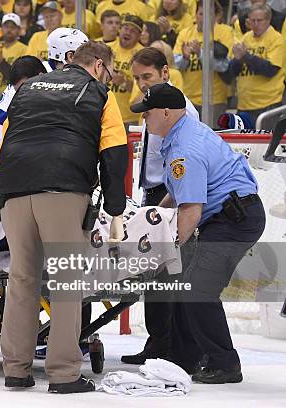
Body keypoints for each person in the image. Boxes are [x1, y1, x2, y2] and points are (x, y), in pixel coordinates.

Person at [0, 40, 127, 393]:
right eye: (110, 72)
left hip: (13, 191)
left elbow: (5, 142)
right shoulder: (98, 93)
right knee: (67, 283)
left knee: (22, 280)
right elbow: (114, 151)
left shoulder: (27, 90)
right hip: (64, 190)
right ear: (99, 66)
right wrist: (115, 206)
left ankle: (16, 369)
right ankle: (64, 373)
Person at [131, 82, 266, 384]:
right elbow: (178, 192)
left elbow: (190, 209)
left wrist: (167, 248)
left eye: (147, 112)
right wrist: (155, 216)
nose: (144, 118)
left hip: (234, 220)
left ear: (166, 112)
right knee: (183, 283)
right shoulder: (183, 132)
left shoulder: (183, 149)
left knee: (197, 288)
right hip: (227, 215)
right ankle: (184, 358)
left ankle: (224, 364)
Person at [120, 46, 198, 365]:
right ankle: (159, 342)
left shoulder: (182, 111)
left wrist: (166, 207)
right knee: (155, 275)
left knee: (169, 275)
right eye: (137, 78)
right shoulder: (153, 106)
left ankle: (172, 345)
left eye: (147, 76)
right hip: (153, 194)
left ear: (166, 73)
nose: (142, 83)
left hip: (172, 194)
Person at [223, 3, 284, 129]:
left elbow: (270, 70)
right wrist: (238, 60)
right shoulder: (245, 39)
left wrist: (245, 56)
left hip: (268, 105)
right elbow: (231, 73)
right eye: (252, 20)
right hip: (244, 105)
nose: (255, 24)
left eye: (259, 20)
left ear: (268, 20)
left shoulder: (277, 39)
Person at [173, 0, 233, 127]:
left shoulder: (225, 32)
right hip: (189, 98)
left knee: (215, 137)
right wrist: (185, 57)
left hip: (215, 99)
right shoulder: (185, 33)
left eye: (209, 14)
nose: (204, 18)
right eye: (201, 14)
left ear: (216, 16)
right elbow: (176, 65)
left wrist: (200, 53)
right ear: (195, 15)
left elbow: (224, 66)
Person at [0, 55, 47, 144]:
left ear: (40, 77)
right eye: (18, 90)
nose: (22, 93)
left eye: (24, 87)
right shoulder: (12, 97)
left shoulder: (53, 76)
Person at [108, 14, 144, 127]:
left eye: (133, 31)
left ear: (139, 36)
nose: (128, 32)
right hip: (106, 115)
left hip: (130, 118)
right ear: (120, 29)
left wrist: (123, 82)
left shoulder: (143, 54)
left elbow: (144, 88)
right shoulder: (106, 49)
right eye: (126, 28)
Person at [0, 13, 27, 96]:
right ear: (1, 28)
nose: (9, 30)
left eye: (13, 27)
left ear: (19, 30)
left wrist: (1, 63)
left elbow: (21, 78)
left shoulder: (24, 49)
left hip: (13, 97)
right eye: (6, 27)